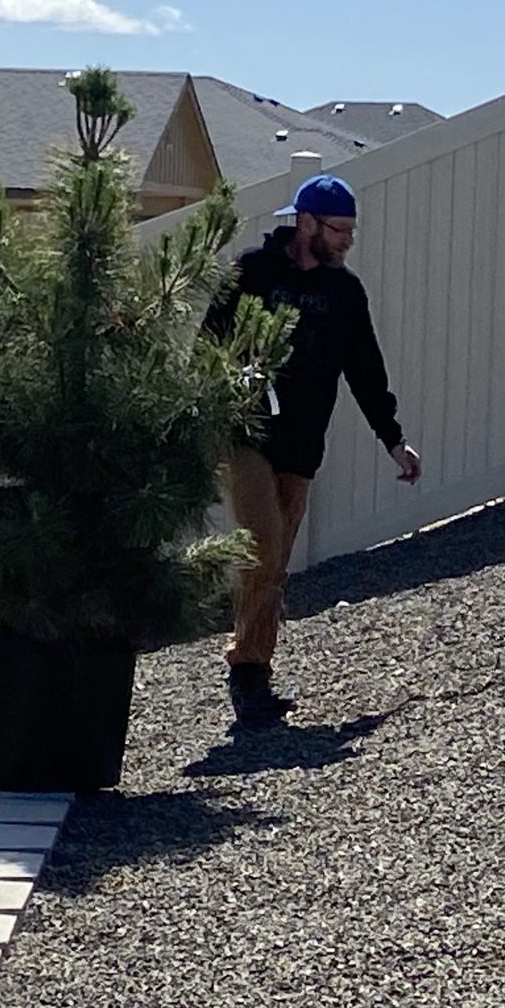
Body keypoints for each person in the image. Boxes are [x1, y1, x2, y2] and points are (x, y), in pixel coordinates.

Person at [203, 174, 422, 728]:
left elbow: (366, 370)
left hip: (303, 444)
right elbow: (207, 348)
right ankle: (246, 669)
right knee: (263, 542)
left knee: (276, 560)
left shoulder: (344, 293)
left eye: (351, 231)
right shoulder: (252, 273)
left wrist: (394, 441)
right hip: (247, 434)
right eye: (339, 230)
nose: (348, 240)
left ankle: (255, 671)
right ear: (306, 224)